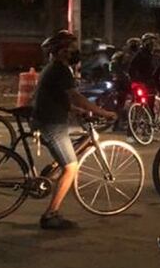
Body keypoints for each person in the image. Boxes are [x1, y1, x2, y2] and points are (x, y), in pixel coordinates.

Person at [31, 30, 118, 229]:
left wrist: (77, 111)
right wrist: (102, 112)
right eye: (70, 48)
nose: (74, 52)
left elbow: (60, 97)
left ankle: (50, 175)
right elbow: (75, 96)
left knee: (68, 151)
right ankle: (50, 215)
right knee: (71, 167)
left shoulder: (54, 68)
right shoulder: (60, 70)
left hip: (48, 118)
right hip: (51, 123)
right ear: (61, 51)